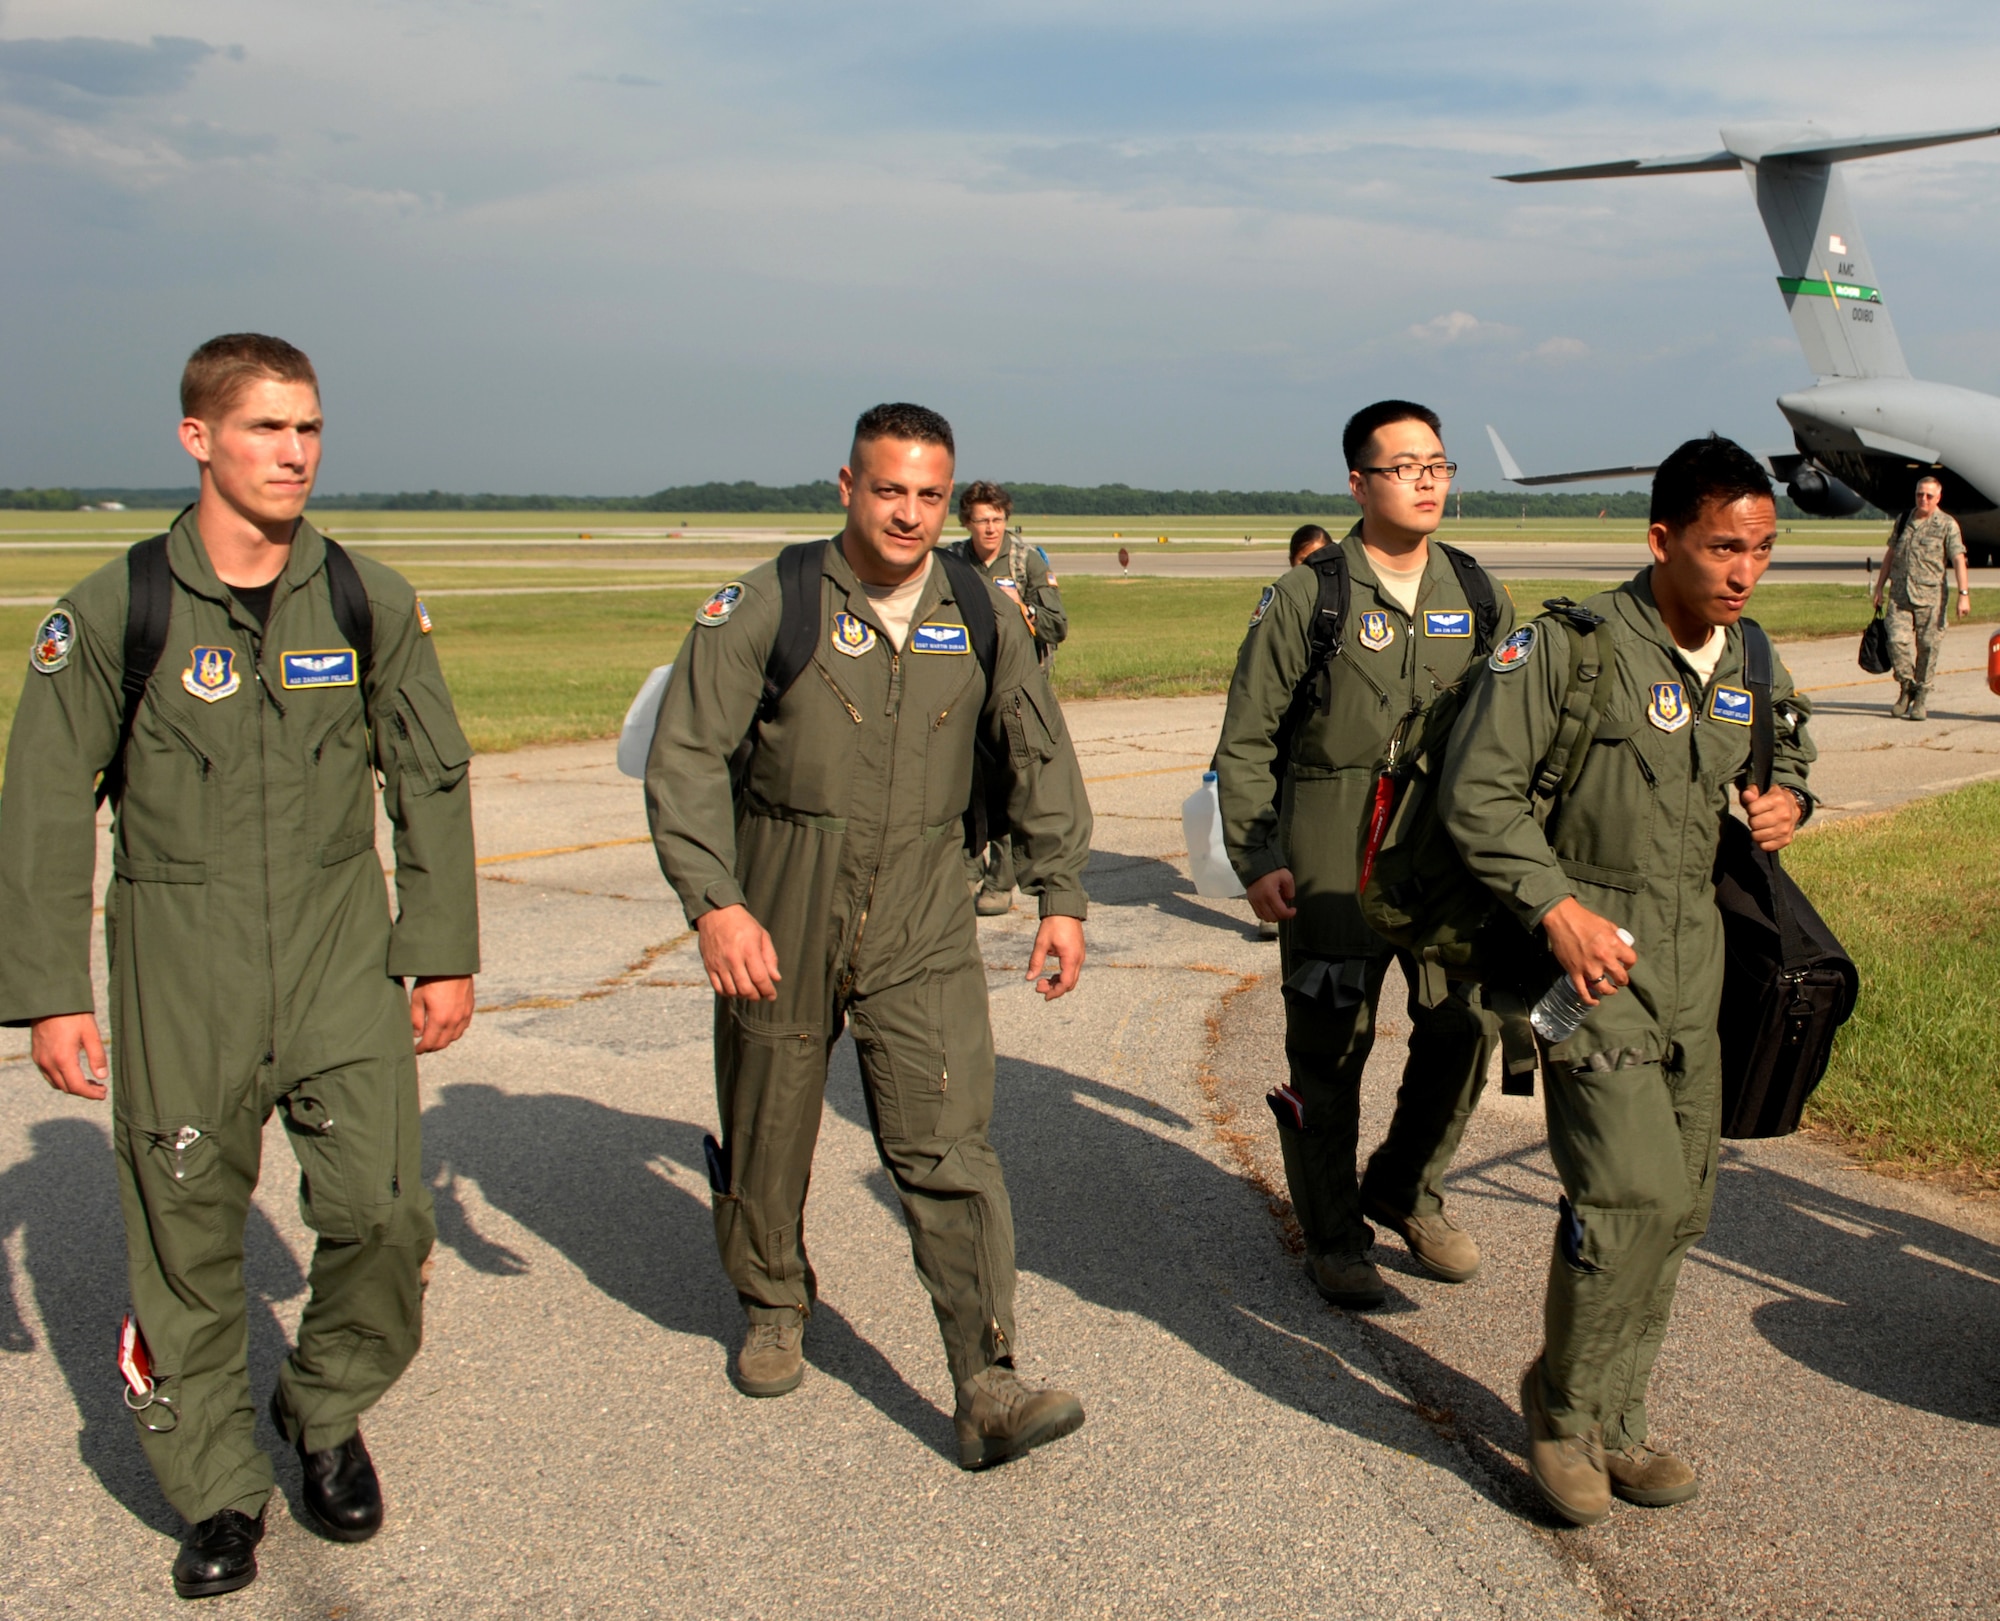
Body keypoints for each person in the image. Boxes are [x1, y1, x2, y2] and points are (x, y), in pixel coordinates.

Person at [0, 334, 478, 1598]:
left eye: (308, 427)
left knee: (384, 1212)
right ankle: (216, 1489)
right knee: (187, 1238)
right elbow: (44, 808)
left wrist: (440, 950)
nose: (294, 451)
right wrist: (51, 993)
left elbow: (428, 778)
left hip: (337, 945)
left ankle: (322, 1406)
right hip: (180, 955)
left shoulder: (367, 600)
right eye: (266, 427)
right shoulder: (117, 610)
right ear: (198, 438)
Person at [645, 403, 1092, 1470]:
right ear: (846, 485)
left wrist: (1061, 893)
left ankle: (987, 1378)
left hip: (923, 901)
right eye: (888, 489)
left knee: (948, 1138)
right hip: (782, 893)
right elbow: (686, 755)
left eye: (929, 495)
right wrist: (715, 903)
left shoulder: (978, 610)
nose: (909, 513)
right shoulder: (768, 603)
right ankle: (773, 1302)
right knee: (769, 1121)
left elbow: (1035, 746)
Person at [1440, 434, 1815, 1527]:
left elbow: (1787, 746)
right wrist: (1557, 911)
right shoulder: (1572, 648)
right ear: (1661, 540)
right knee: (1626, 1195)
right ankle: (1560, 1412)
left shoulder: (1748, 659)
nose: (1743, 572)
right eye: (1721, 548)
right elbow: (1477, 795)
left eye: (1760, 549)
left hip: (1698, 964)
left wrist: (1789, 798)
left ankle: (1618, 1416)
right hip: (1589, 961)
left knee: (1681, 1204)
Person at [1213, 400, 1511, 1309]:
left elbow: (1514, 731)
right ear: (1358, 483)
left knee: (1465, 1026)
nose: (1426, 481)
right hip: (1330, 850)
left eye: (1438, 465)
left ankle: (1406, 1184)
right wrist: (1256, 852)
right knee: (1329, 1047)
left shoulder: (1478, 593)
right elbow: (1247, 737)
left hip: (1440, 859)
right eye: (1403, 467)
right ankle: (1335, 1234)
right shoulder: (1311, 595)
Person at [953, 481, 1069, 915]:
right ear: (966, 522)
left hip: (1012, 692)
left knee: (1008, 784)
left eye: (997, 519)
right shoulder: (952, 561)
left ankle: (1000, 880)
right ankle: (966, 869)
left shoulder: (1026, 561)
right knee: (960, 782)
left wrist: (1019, 605)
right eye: (982, 520)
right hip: (962, 689)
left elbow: (1057, 625)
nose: (990, 528)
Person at [1872, 474, 1969, 720]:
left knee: (1928, 646)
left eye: (1928, 495)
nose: (1923, 499)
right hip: (1899, 596)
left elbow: (1958, 559)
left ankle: (1921, 697)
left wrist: (1963, 594)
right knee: (1896, 642)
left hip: (1931, 598)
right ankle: (1907, 687)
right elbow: (1891, 554)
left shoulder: (1947, 524)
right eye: (1919, 494)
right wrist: (1879, 587)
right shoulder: (1904, 520)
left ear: (1938, 497)